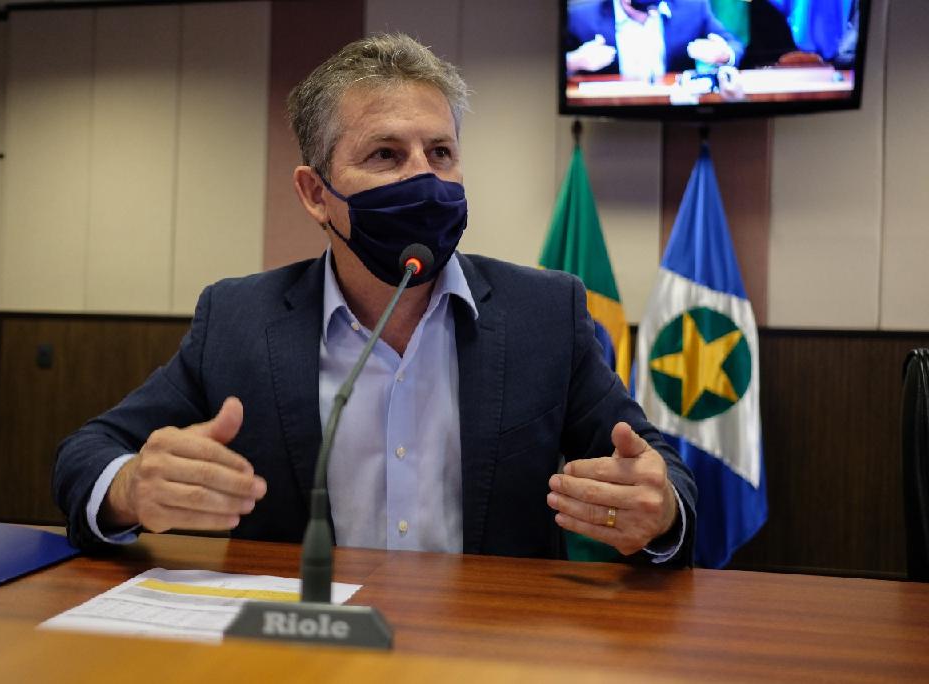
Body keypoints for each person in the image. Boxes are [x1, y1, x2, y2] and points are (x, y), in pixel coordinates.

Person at [53, 34, 697, 565]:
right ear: (315, 194)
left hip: (490, 644)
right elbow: (89, 452)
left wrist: (660, 508)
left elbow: (658, 469)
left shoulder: (545, 314)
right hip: (305, 642)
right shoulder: (239, 319)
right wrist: (131, 487)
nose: (424, 178)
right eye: (386, 155)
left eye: (440, 153)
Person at [566, 0, 744, 80]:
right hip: (611, 115)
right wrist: (574, 61)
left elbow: (734, 45)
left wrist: (723, 55)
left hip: (674, 116)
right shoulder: (580, 18)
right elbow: (554, 66)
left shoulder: (694, 8)